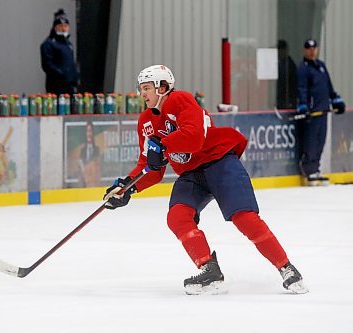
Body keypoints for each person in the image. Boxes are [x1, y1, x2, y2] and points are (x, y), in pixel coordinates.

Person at [103, 65, 308, 295]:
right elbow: (150, 168)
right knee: (177, 217)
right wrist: (127, 187)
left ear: (163, 87)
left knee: (244, 218)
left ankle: (287, 268)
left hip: (219, 162)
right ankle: (209, 269)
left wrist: (163, 145)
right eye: (141, 89)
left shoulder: (180, 100)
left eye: (147, 88)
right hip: (192, 174)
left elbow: (194, 137)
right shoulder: (145, 123)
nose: (143, 94)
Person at [296, 38, 346, 186]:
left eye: (314, 48)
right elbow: (302, 88)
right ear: (304, 50)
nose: (312, 51)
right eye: (309, 48)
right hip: (312, 113)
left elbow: (328, 87)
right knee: (310, 142)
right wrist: (304, 105)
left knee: (320, 141)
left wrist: (336, 100)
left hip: (323, 110)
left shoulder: (321, 66)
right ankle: (308, 169)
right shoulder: (303, 68)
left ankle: (316, 168)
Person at [40, 9, 79, 95]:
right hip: (56, 87)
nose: (64, 29)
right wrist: (61, 74)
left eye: (66, 26)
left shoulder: (69, 45)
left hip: (70, 86)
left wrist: (75, 77)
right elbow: (47, 65)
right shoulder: (48, 44)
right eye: (61, 26)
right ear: (55, 27)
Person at [78, 122, 101, 187]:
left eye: (90, 131)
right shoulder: (82, 151)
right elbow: (80, 167)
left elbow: (98, 168)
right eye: (87, 131)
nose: (89, 134)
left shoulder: (97, 149)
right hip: (84, 183)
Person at [277, 39, 297, 109]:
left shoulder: (288, 65)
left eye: (279, 50)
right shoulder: (280, 64)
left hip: (287, 102)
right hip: (281, 101)